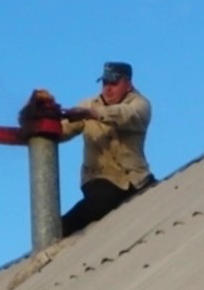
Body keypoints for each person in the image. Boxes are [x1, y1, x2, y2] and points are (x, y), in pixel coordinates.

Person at [58, 61, 155, 237]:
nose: (107, 89)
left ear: (128, 84)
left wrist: (92, 114)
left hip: (137, 179)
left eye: (113, 84)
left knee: (161, 200)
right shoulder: (87, 104)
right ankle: (59, 229)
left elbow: (127, 115)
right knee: (102, 201)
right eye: (105, 83)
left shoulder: (141, 105)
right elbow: (62, 130)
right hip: (99, 179)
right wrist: (42, 128)